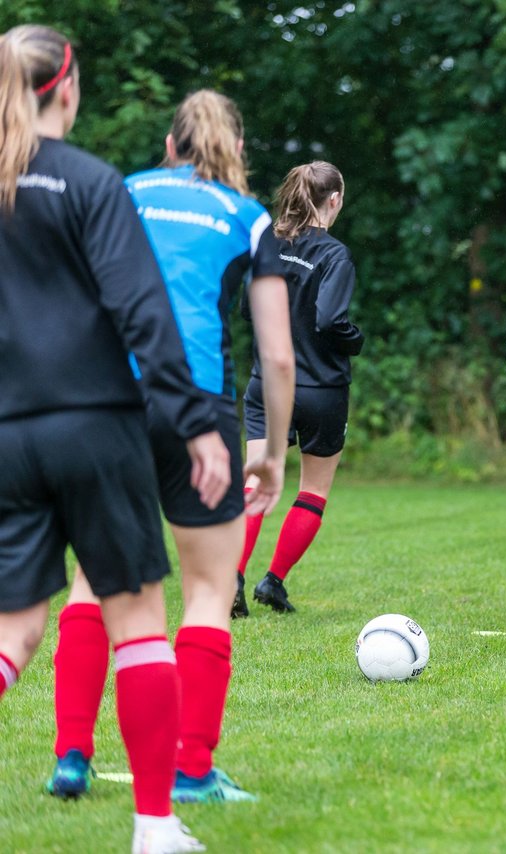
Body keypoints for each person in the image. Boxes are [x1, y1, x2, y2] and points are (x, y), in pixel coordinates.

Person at [0, 25, 228, 854]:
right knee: (136, 622)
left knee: (14, 629)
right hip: (97, 425)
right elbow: (143, 311)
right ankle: (156, 829)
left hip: (7, 436)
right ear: (68, 89)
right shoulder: (93, 183)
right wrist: (196, 423)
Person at [44, 89, 295, 806]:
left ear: (168, 143)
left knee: (94, 581)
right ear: (233, 150)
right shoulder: (248, 218)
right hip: (199, 410)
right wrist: (271, 452)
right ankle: (190, 770)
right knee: (210, 590)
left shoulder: (118, 191)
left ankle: (72, 757)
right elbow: (277, 358)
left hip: (104, 406)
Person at [235, 161, 364, 616]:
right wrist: (355, 340)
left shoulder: (269, 243)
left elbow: (250, 311)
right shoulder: (334, 255)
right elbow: (330, 320)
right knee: (312, 490)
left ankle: (232, 578)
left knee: (255, 478)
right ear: (335, 200)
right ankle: (273, 582)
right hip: (320, 389)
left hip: (266, 383)